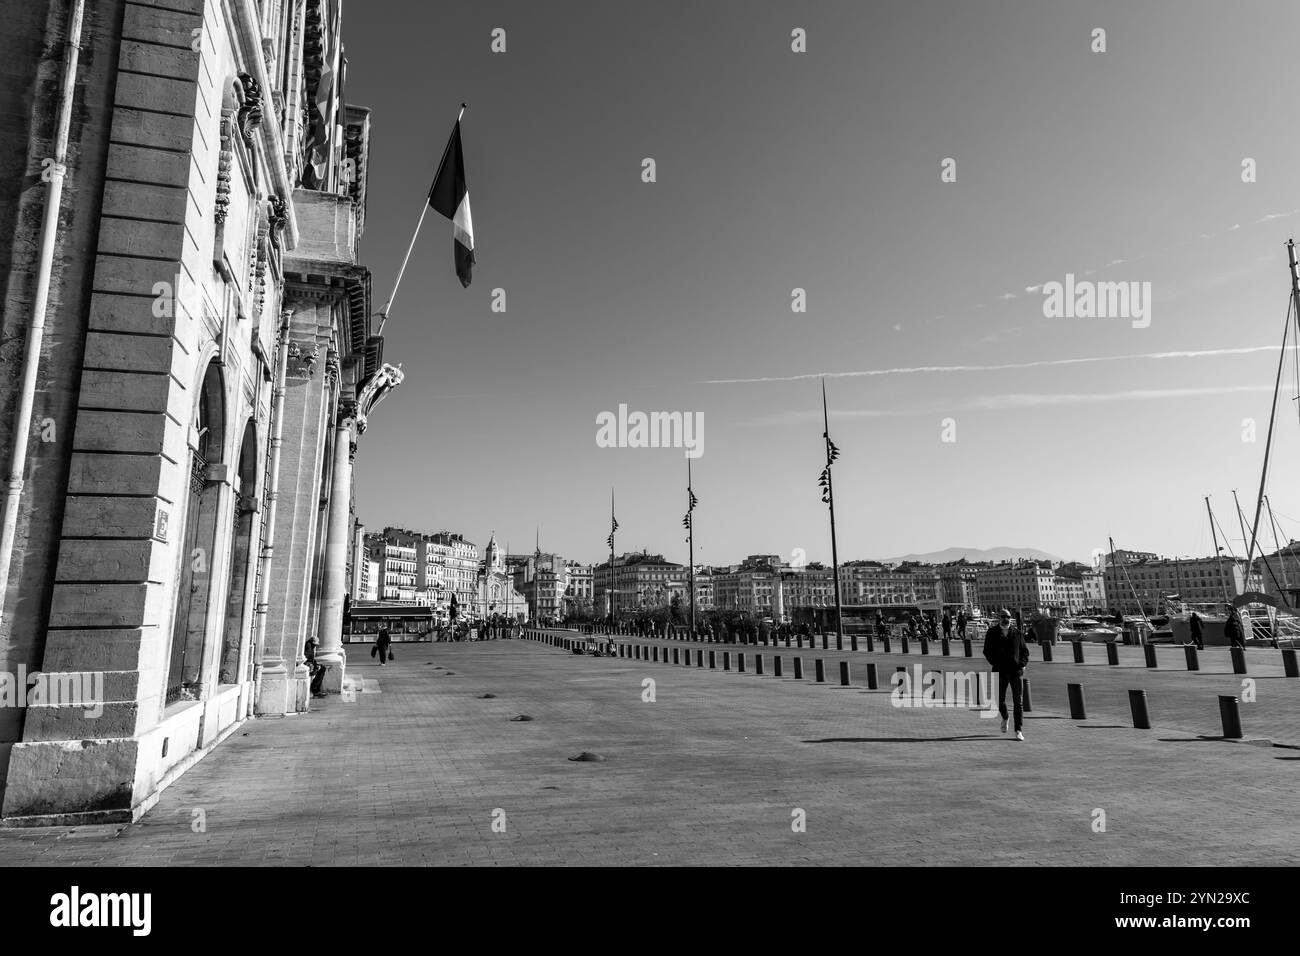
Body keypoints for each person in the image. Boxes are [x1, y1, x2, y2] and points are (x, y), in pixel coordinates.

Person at [983, 609, 1029, 740]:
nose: (1005, 619)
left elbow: (1025, 651)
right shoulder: (992, 633)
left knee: (1018, 702)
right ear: (999, 618)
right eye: (1003, 617)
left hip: (1015, 672)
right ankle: (1005, 716)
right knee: (999, 699)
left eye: (1008, 617)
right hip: (999, 670)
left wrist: (1022, 665)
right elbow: (987, 651)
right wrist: (995, 663)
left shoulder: (1017, 633)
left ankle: (1018, 730)